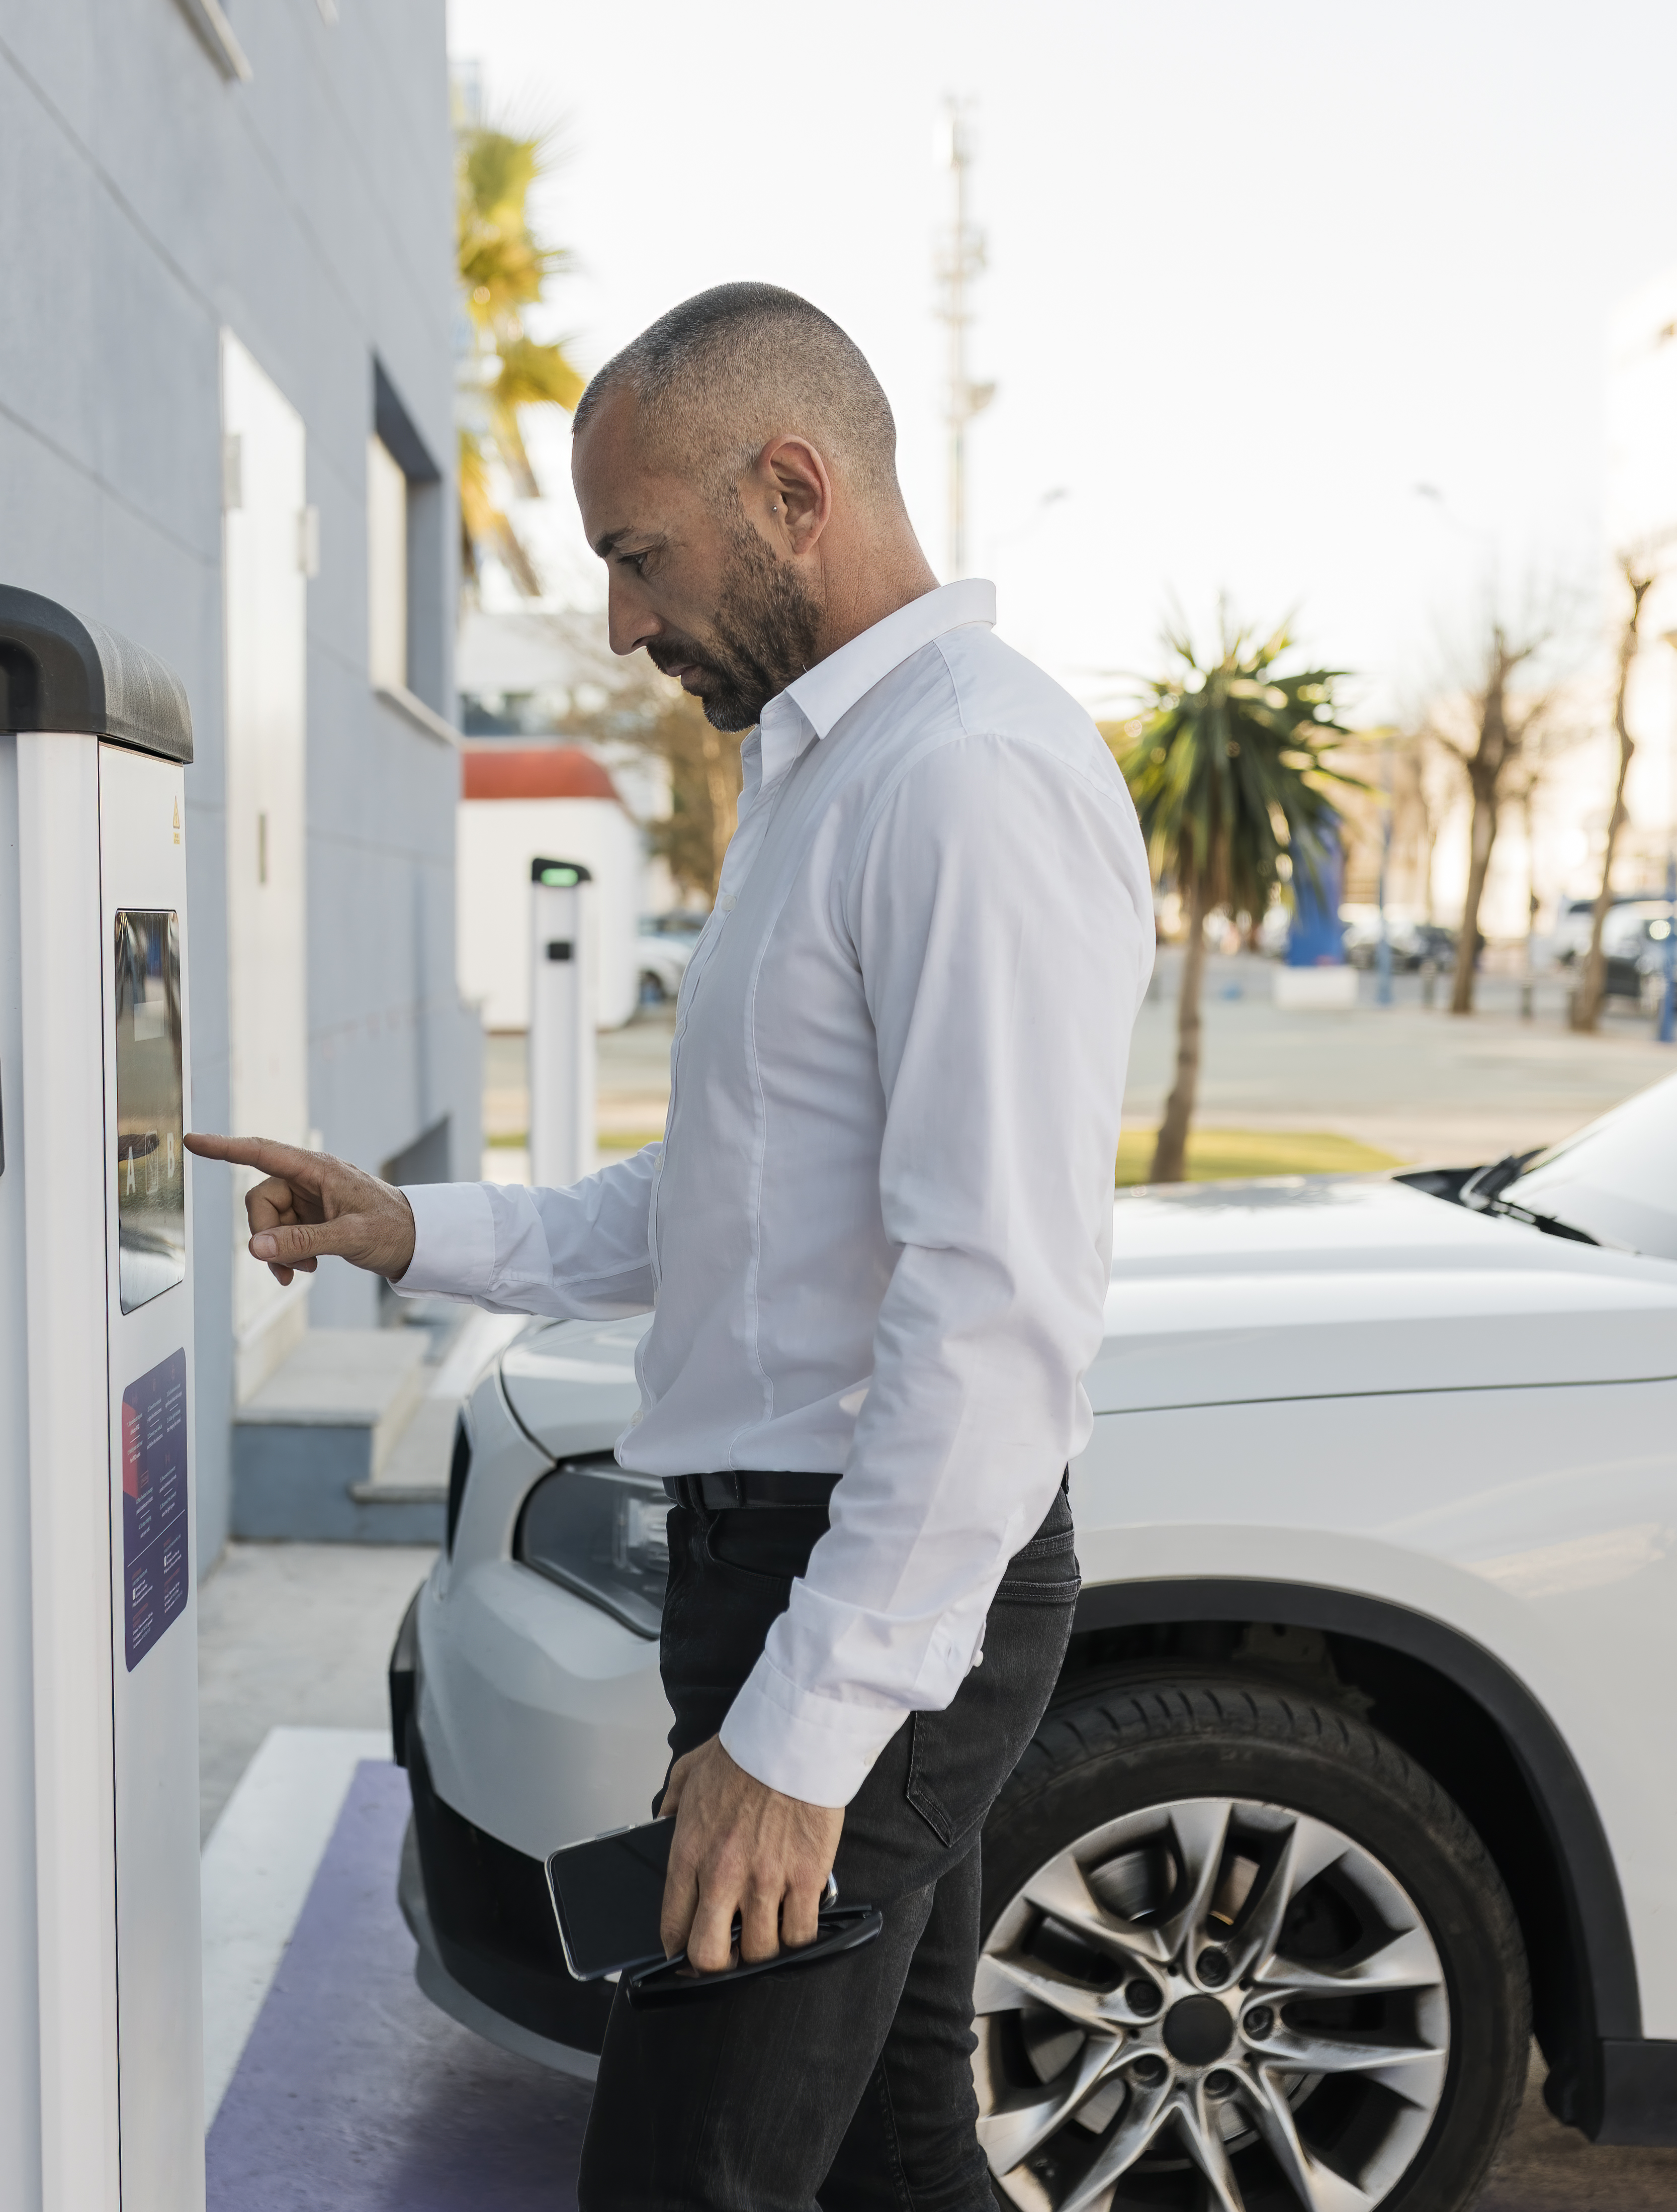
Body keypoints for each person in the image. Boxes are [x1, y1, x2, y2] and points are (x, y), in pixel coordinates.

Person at [187, 282, 1154, 2211]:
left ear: (795, 487)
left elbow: (996, 1314)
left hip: (850, 1580)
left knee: (680, 2178)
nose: (624, 623)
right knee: (890, 2157)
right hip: (810, 1564)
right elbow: (727, 1203)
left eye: (640, 556)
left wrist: (800, 1736)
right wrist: (410, 1229)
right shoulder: (828, 775)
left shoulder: (961, 782)